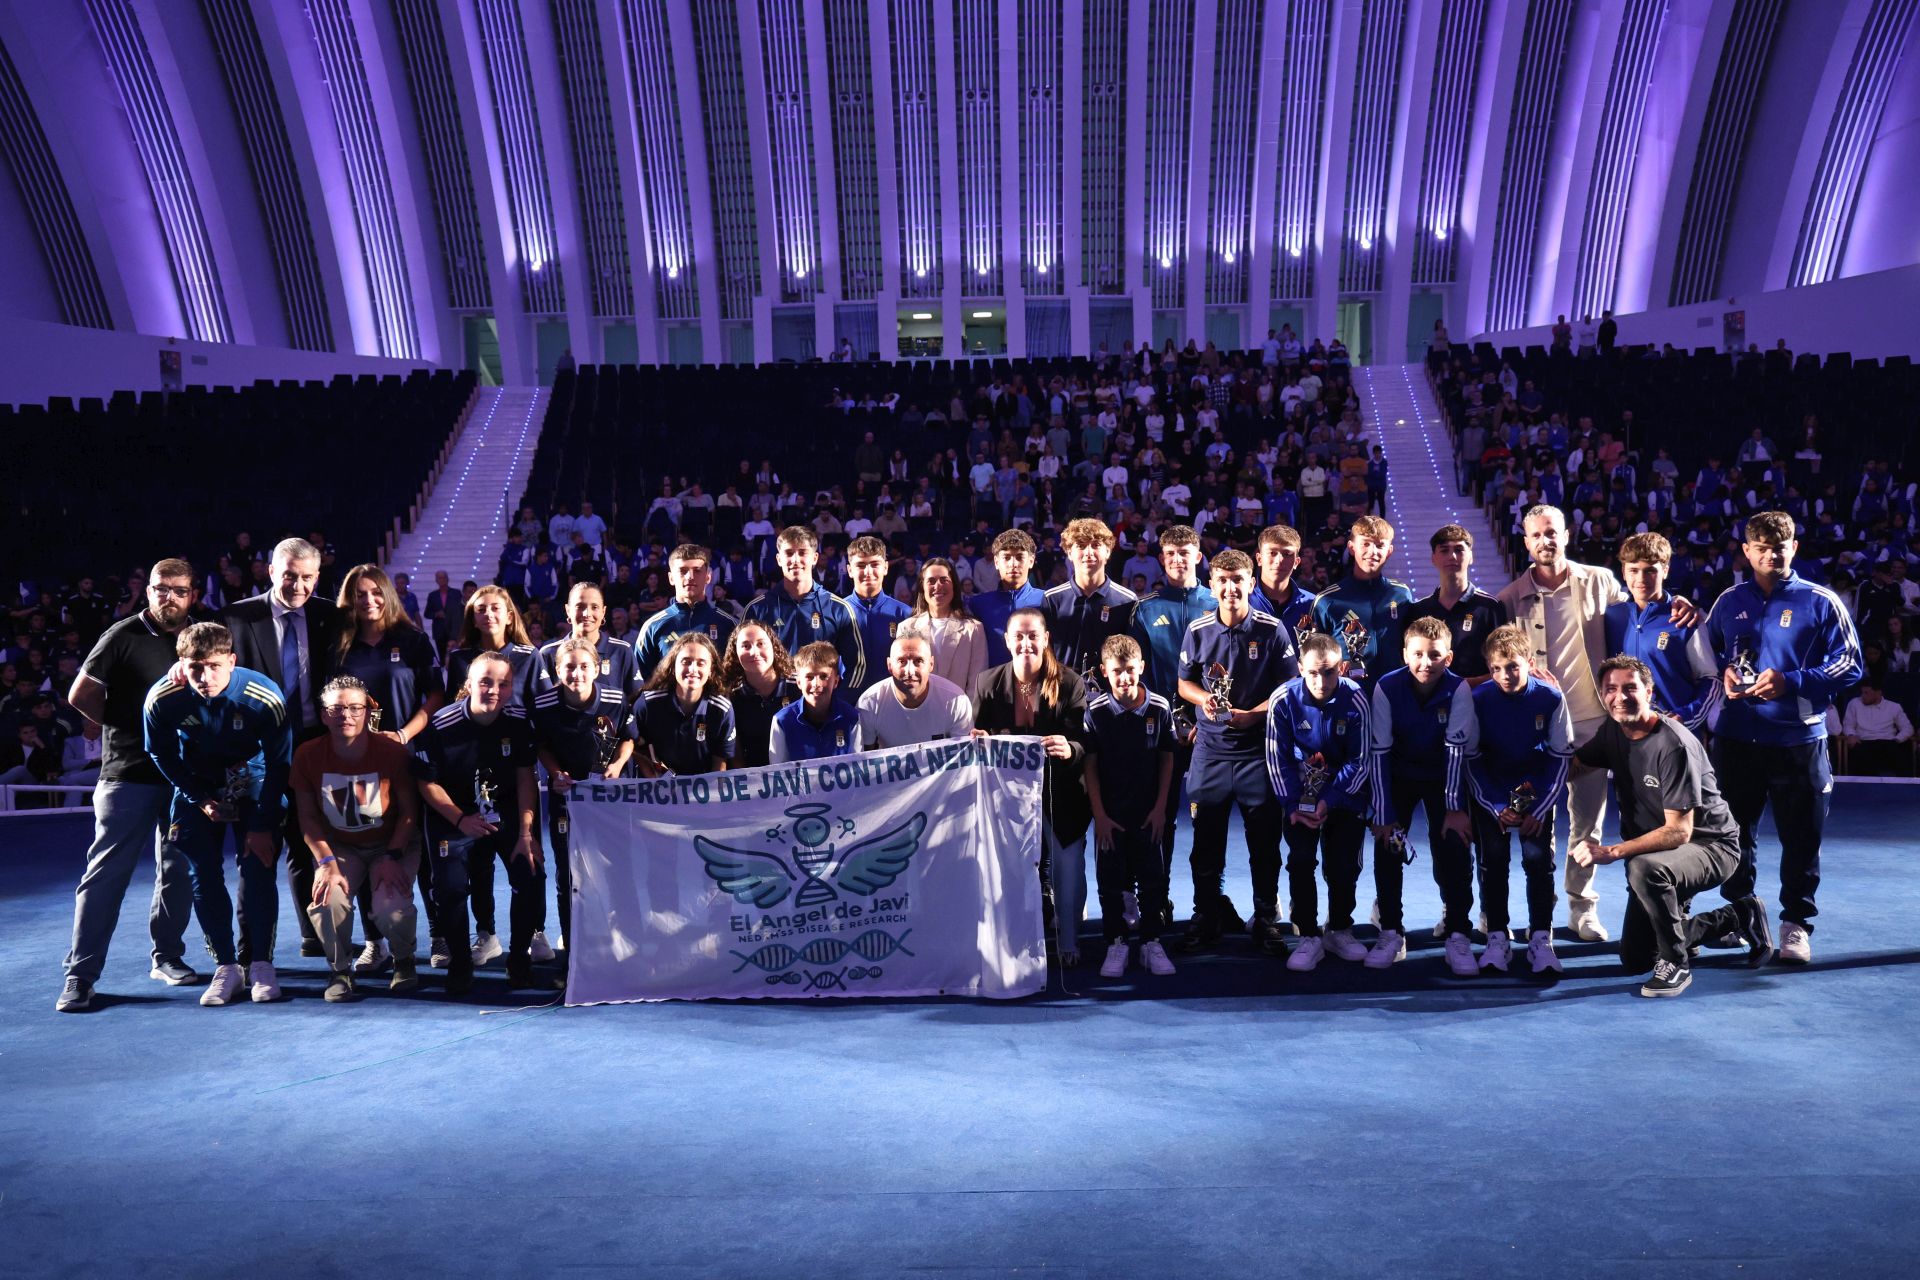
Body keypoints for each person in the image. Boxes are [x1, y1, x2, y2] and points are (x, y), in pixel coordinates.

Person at [1497, 504, 1697, 944]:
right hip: (1538, 728)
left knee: (1588, 823)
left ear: (1565, 535)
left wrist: (1676, 600)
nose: (1545, 541)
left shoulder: (1601, 581)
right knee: (1538, 823)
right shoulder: (1509, 598)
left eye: (1552, 532)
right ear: (1526, 542)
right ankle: (1540, 910)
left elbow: (1644, 609)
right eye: (1536, 535)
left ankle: (1581, 909)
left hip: (1594, 723)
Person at [1705, 510, 1863, 963]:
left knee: (1801, 838)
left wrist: (1793, 680)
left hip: (1798, 740)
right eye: (1762, 547)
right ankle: (1740, 917)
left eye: (1781, 546)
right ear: (1747, 551)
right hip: (1736, 739)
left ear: (1794, 548)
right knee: (1734, 836)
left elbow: (1849, 663)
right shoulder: (1729, 601)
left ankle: (1796, 924)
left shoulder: (1821, 601)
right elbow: (1708, 652)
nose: (1772, 553)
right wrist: (1724, 672)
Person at [56, 558, 201, 1012]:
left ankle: (167, 957)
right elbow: (80, 693)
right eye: (161, 589)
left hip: (181, 778)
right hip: (127, 775)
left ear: (192, 594)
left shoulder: (199, 637)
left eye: (178, 590)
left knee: (177, 872)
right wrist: (131, 725)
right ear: (148, 591)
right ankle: (80, 976)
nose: (168, 597)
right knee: (106, 875)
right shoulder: (122, 635)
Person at [1566, 657, 1751, 996]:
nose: (1619, 697)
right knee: (1636, 957)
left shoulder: (1673, 744)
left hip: (1710, 846)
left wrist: (1610, 851)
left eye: (1630, 688)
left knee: (1643, 867)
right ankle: (1738, 916)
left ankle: (1677, 964)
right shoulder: (1613, 730)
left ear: (1648, 692)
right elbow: (1577, 764)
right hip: (1665, 852)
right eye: (1610, 690)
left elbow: (1679, 831)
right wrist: (1527, 784)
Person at [142, 623, 292, 1007]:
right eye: (194, 668)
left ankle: (260, 963)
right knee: (202, 875)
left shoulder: (263, 697)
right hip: (196, 786)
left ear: (231, 661)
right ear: (181, 664)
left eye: (213, 666)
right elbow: (160, 753)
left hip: (255, 780)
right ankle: (227, 967)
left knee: (258, 868)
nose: (204, 677)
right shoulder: (161, 699)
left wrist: (260, 825)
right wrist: (198, 797)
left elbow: (279, 765)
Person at [220, 537, 343, 962]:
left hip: (314, 744)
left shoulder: (330, 616)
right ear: (271, 572)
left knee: (310, 842)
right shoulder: (238, 617)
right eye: (289, 575)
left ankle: (314, 934)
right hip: (256, 752)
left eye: (307, 577)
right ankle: (253, 956)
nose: (298, 585)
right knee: (257, 852)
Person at [1177, 548, 1300, 952]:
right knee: (1205, 844)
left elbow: (1288, 690)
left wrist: (1253, 715)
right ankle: (1206, 915)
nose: (1230, 588)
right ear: (1211, 586)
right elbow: (1185, 683)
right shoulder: (1196, 630)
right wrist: (1202, 701)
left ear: (1251, 583)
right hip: (1210, 752)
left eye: (1238, 580)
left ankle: (1266, 918)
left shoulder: (1273, 630)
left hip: (1256, 753)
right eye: (1222, 581)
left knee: (1263, 844)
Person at [410, 652, 545, 993]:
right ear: (468, 684)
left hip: (504, 814)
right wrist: (459, 819)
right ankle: (460, 963)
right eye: (485, 681)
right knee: (450, 889)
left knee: (530, 873)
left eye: (503, 683)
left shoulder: (518, 721)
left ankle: (519, 961)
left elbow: (526, 777)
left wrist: (528, 832)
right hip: (452, 817)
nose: (494, 690)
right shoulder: (441, 725)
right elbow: (427, 782)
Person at [1445, 624, 1574, 976]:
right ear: (1488, 667)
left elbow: (1561, 756)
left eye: (1513, 666)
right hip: (1493, 796)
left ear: (1529, 662)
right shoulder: (1477, 698)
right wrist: (1495, 805)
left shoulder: (1550, 698)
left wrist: (1542, 807)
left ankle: (1541, 939)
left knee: (1538, 863)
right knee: (1492, 863)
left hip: (1536, 798)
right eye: (1497, 668)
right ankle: (1497, 937)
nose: (1505, 675)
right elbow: (1470, 758)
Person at [291, 676, 422, 1001]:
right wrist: (325, 862)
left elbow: (409, 813)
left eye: (354, 708)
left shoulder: (392, 751)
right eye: (336, 709)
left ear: (367, 711)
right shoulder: (308, 755)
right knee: (327, 900)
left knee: (391, 907)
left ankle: (403, 961)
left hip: (390, 843)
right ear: (323, 715)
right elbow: (306, 817)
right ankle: (340, 971)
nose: (345, 715)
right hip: (340, 848)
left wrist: (392, 856)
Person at [971, 608, 1090, 961]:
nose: (1026, 643)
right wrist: (977, 738)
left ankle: (1069, 940)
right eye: (1018, 636)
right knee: (1010, 873)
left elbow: (1086, 743)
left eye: (1032, 635)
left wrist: (1070, 748)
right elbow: (975, 740)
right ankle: (1013, 942)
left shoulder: (1070, 683)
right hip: (1008, 798)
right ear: (1006, 641)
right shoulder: (987, 683)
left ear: (1046, 639)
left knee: (1069, 870)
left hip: (1063, 792)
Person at [1369, 617, 1478, 973]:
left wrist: (1454, 809)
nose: (1425, 662)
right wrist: (1384, 813)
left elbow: (1455, 752)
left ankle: (1459, 932)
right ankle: (1391, 931)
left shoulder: (1459, 688)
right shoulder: (1386, 687)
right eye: (1417, 654)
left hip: (1442, 777)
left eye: (1434, 655)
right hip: (1399, 776)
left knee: (1453, 844)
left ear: (1448, 657)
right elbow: (1380, 752)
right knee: (1388, 846)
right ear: (1404, 654)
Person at [1264, 634, 1374, 970]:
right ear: (1300, 669)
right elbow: (1276, 758)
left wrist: (1329, 799)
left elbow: (1361, 760)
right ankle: (1309, 935)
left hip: (1345, 796)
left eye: (1328, 672)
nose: (1320, 681)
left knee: (1343, 866)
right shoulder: (1282, 699)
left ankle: (1338, 929)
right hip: (1298, 798)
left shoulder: (1356, 700)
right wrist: (1294, 805)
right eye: (1312, 672)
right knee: (1300, 861)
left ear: (1341, 668)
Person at [1128, 525, 1216, 926]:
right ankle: (1156, 900)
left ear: (1199, 556)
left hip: (1211, 731)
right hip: (1159, 733)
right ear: (1161, 560)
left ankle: (1207, 904)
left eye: (1186, 552)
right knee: (1158, 820)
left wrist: (1206, 718)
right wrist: (1167, 721)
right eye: (1171, 554)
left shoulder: (1219, 602)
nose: (1179, 560)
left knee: (1207, 821)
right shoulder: (1144, 609)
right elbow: (1138, 677)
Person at [530, 635, 635, 967]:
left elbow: (629, 740)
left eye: (584, 666)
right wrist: (554, 772)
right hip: (567, 799)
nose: (577, 674)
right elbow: (541, 747)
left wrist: (617, 766)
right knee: (568, 874)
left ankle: (620, 936)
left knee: (616, 867)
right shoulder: (544, 705)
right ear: (558, 669)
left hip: (609, 800)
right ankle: (574, 946)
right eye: (569, 667)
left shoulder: (616, 699)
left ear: (596, 668)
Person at [1084, 635, 1177, 978]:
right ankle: (1116, 942)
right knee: (1109, 882)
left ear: (1141, 667)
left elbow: (1168, 759)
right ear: (1104, 672)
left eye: (1129, 670)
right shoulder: (1094, 712)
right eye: (1116, 672)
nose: (1124, 678)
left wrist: (1160, 808)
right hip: (1111, 815)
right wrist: (1100, 816)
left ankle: (1151, 941)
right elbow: (1090, 766)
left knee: (1153, 879)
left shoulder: (1159, 708)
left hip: (1149, 812)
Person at [1603, 534, 1720, 731]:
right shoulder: (1612, 617)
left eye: (1650, 571)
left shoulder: (1685, 619)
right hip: (1625, 733)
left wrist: (1686, 717)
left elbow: (1711, 680)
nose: (1641, 579)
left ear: (1665, 571)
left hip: (1675, 733)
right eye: (1633, 570)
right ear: (1623, 572)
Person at [744, 525, 866, 686]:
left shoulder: (839, 608)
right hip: (771, 706)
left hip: (823, 705)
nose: (795, 560)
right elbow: (740, 662)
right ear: (779, 559)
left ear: (815, 558)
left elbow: (857, 665)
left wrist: (836, 700)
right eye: (789, 553)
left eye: (802, 553)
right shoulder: (757, 609)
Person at [1310, 515, 1415, 684]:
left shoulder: (1402, 595)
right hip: (1347, 696)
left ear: (1389, 551)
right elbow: (1311, 657)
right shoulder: (1327, 600)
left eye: (1380, 545)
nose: (1372, 552)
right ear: (1351, 548)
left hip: (1395, 693)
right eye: (1365, 543)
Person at [1400, 525, 1506, 683]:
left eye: (1459, 550)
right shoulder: (1418, 610)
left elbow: (1503, 665)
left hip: (1478, 700)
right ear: (1433, 558)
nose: (1452, 556)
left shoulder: (1491, 608)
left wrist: (1462, 688)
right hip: (1430, 702)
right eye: (1444, 550)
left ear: (1471, 557)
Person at [1043, 517, 1139, 685]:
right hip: (1061, 695)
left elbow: (1131, 655)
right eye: (1080, 545)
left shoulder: (1128, 600)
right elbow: (1045, 653)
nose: (1088, 552)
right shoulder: (1052, 599)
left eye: (1096, 545)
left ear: (1108, 551)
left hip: (1109, 698)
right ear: (1069, 553)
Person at [633, 544, 736, 683]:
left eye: (697, 571)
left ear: (708, 577)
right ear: (671, 578)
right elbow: (640, 679)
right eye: (682, 571)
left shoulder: (728, 624)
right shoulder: (652, 627)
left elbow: (736, 676)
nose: (690, 576)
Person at [634, 633, 734, 775]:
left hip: (700, 789)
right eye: (686, 661)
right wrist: (654, 781)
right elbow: (632, 745)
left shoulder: (722, 709)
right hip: (658, 787)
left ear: (710, 670)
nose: (693, 669)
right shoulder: (648, 703)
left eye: (701, 663)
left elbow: (720, 761)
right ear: (673, 666)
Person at [859, 633, 973, 749]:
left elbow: (964, 756)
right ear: (889, 665)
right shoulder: (869, 703)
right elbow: (865, 759)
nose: (910, 671)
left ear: (931, 664)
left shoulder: (956, 700)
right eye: (901, 661)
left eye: (918, 661)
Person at [900, 557, 989, 692]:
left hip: (959, 711)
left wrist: (966, 712)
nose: (938, 586)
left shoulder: (974, 629)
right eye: (931, 581)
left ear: (954, 585)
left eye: (944, 580)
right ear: (922, 588)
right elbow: (903, 679)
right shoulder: (906, 627)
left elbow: (977, 684)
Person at [718, 620, 798, 768]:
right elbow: (736, 754)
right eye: (746, 646)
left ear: (774, 647)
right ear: (735, 653)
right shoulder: (731, 697)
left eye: (761, 644)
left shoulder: (799, 686)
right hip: (755, 780)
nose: (754, 652)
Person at [841, 535, 912, 698]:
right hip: (847, 703)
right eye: (860, 565)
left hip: (893, 702)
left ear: (885, 568)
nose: (868, 572)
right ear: (849, 570)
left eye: (875, 565)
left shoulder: (905, 614)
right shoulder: (836, 612)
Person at [769, 642, 862, 762]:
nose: (816, 684)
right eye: (809, 677)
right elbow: (778, 773)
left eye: (823, 676)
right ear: (798, 682)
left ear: (836, 682)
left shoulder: (852, 717)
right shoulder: (782, 720)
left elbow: (858, 769)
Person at [973, 529, 1048, 669]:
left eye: (1019, 557)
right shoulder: (978, 604)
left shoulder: (1048, 600)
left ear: (1031, 561)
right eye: (1006, 557)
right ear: (996, 562)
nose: (1013, 564)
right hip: (992, 686)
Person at [1248, 524, 1318, 640]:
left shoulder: (1312, 604)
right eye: (1272, 553)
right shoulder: (1243, 601)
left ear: (1296, 562)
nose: (1279, 560)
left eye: (1287, 554)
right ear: (1259, 559)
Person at [1843, 679, 1914, 775]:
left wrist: (1897, 740)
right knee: (1860, 755)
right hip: (1864, 741)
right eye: (1862, 692)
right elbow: (1848, 724)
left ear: (1878, 693)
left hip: (1888, 742)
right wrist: (1851, 735)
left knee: (1899, 754)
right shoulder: (1854, 703)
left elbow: (1908, 728)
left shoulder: (1894, 707)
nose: (1863, 696)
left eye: (1866, 693)